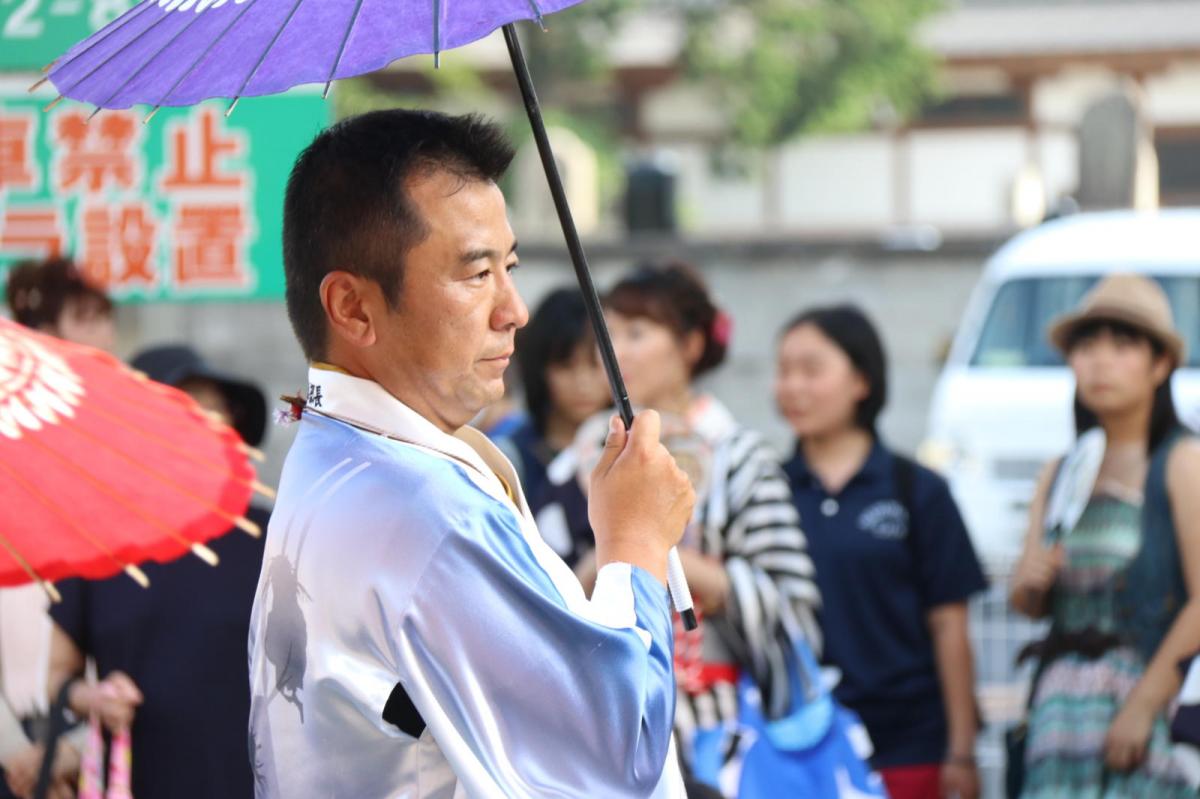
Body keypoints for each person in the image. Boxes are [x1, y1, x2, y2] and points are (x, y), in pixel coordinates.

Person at [247, 109, 694, 798]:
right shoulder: (422, 507)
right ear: (353, 308)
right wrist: (634, 546)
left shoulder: (336, 451)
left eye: (508, 266)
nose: (513, 308)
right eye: (476, 273)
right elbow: (616, 754)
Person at [541, 263, 821, 786]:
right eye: (609, 331)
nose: (614, 348)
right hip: (601, 725)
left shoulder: (741, 458)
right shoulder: (574, 458)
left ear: (690, 345)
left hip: (721, 731)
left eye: (636, 333)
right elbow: (539, 591)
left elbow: (795, 612)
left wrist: (687, 568)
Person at [776, 304, 986, 799]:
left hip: (909, 744)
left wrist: (960, 750)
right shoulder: (768, 491)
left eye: (811, 369)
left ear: (862, 380)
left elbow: (949, 625)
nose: (792, 387)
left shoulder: (917, 490)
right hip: (797, 742)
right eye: (784, 371)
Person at [45, 344, 269, 799]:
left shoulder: (273, 536)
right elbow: (57, 679)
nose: (202, 425)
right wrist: (95, 697)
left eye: (212, 412)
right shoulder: (95, 543)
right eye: (179, 410)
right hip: (137, 781)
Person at [1010, 274, 1200, 797]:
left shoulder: (1182, 463)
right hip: (1059, 712)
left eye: (1123, 345)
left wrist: (1141, 708)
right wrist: (1028, 582)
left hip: (1148, 705)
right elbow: (1029, 602)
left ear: (1160, 364)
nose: (1100, 361)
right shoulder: (1061, 470)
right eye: (1087, 345)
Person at [0, 257, 115, 799]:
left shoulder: (118, 458)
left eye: (103, 318)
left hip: (92, 733)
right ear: (42, 336)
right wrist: (15, 753)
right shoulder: (12, 460)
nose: (102, 335)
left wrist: (73, 746)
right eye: (83, 319)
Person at [494, 287, 610, 561]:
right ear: (541, 368)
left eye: (594, 365)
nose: (582, 382)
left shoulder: (628, 447)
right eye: (566, 366)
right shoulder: (510, 458)